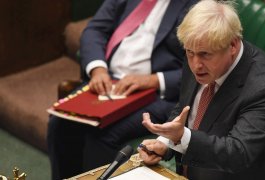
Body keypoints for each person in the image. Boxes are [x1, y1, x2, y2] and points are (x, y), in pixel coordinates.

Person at [138, 0, 265, 179]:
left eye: (205, 54)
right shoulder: (198, 49)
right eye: (189, 52)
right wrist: (166, 142)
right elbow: (187, 108)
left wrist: (181, 137)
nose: (195, 65)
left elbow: (238, 153)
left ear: (233, 45)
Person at [47, 0, 197, 179]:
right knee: (60, 122)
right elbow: (95, 29)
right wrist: (98, 69)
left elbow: (199, 68)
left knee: (102, 135)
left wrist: (153, 80)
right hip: (108, 81)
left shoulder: (197, 5)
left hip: (157, 93)